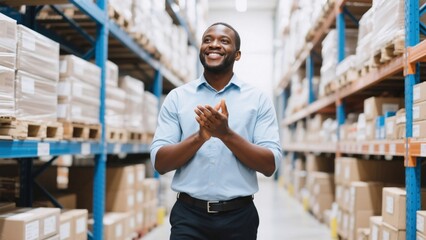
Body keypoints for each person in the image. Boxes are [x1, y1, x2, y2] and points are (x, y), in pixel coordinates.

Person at [150, 22, 282, 240]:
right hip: (188, 218)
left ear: (237, 55)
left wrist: (226, 135)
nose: (214, 45)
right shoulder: (177, 98)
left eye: (224, 41)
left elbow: (270, 165)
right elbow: (160, 163)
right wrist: (200, 137)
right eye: (208, 40)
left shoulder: (258, 100)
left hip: (239, 219)